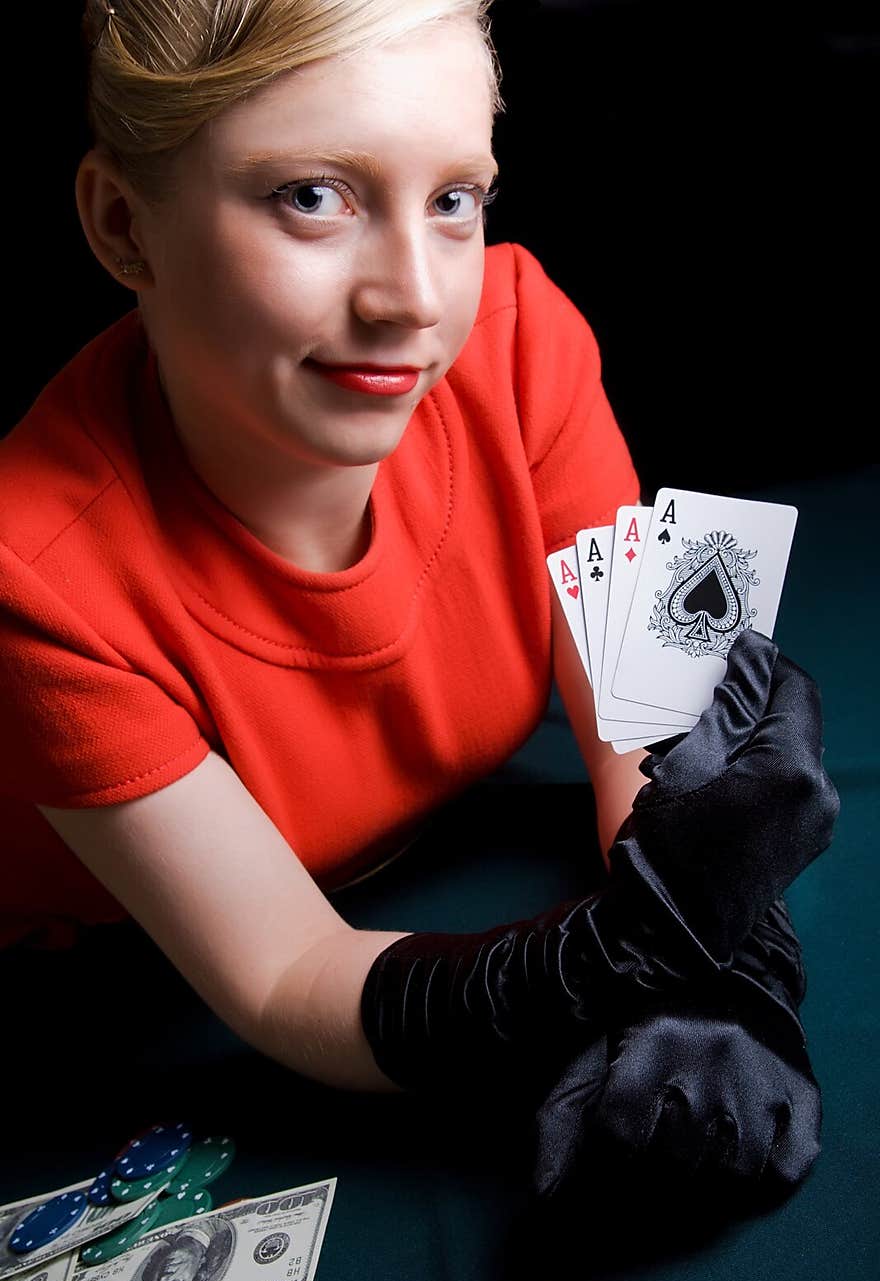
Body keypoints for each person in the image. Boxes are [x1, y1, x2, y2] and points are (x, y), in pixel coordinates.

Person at [0, 0, 838, 1201]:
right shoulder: (31, 573)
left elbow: (645, 750)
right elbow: (288, 974)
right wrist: (591, 966)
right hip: (101, 983)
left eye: (452, 199)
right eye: (312, 196)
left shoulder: (516, 338)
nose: (411, 299)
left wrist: (732, 984)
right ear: (123, 223)